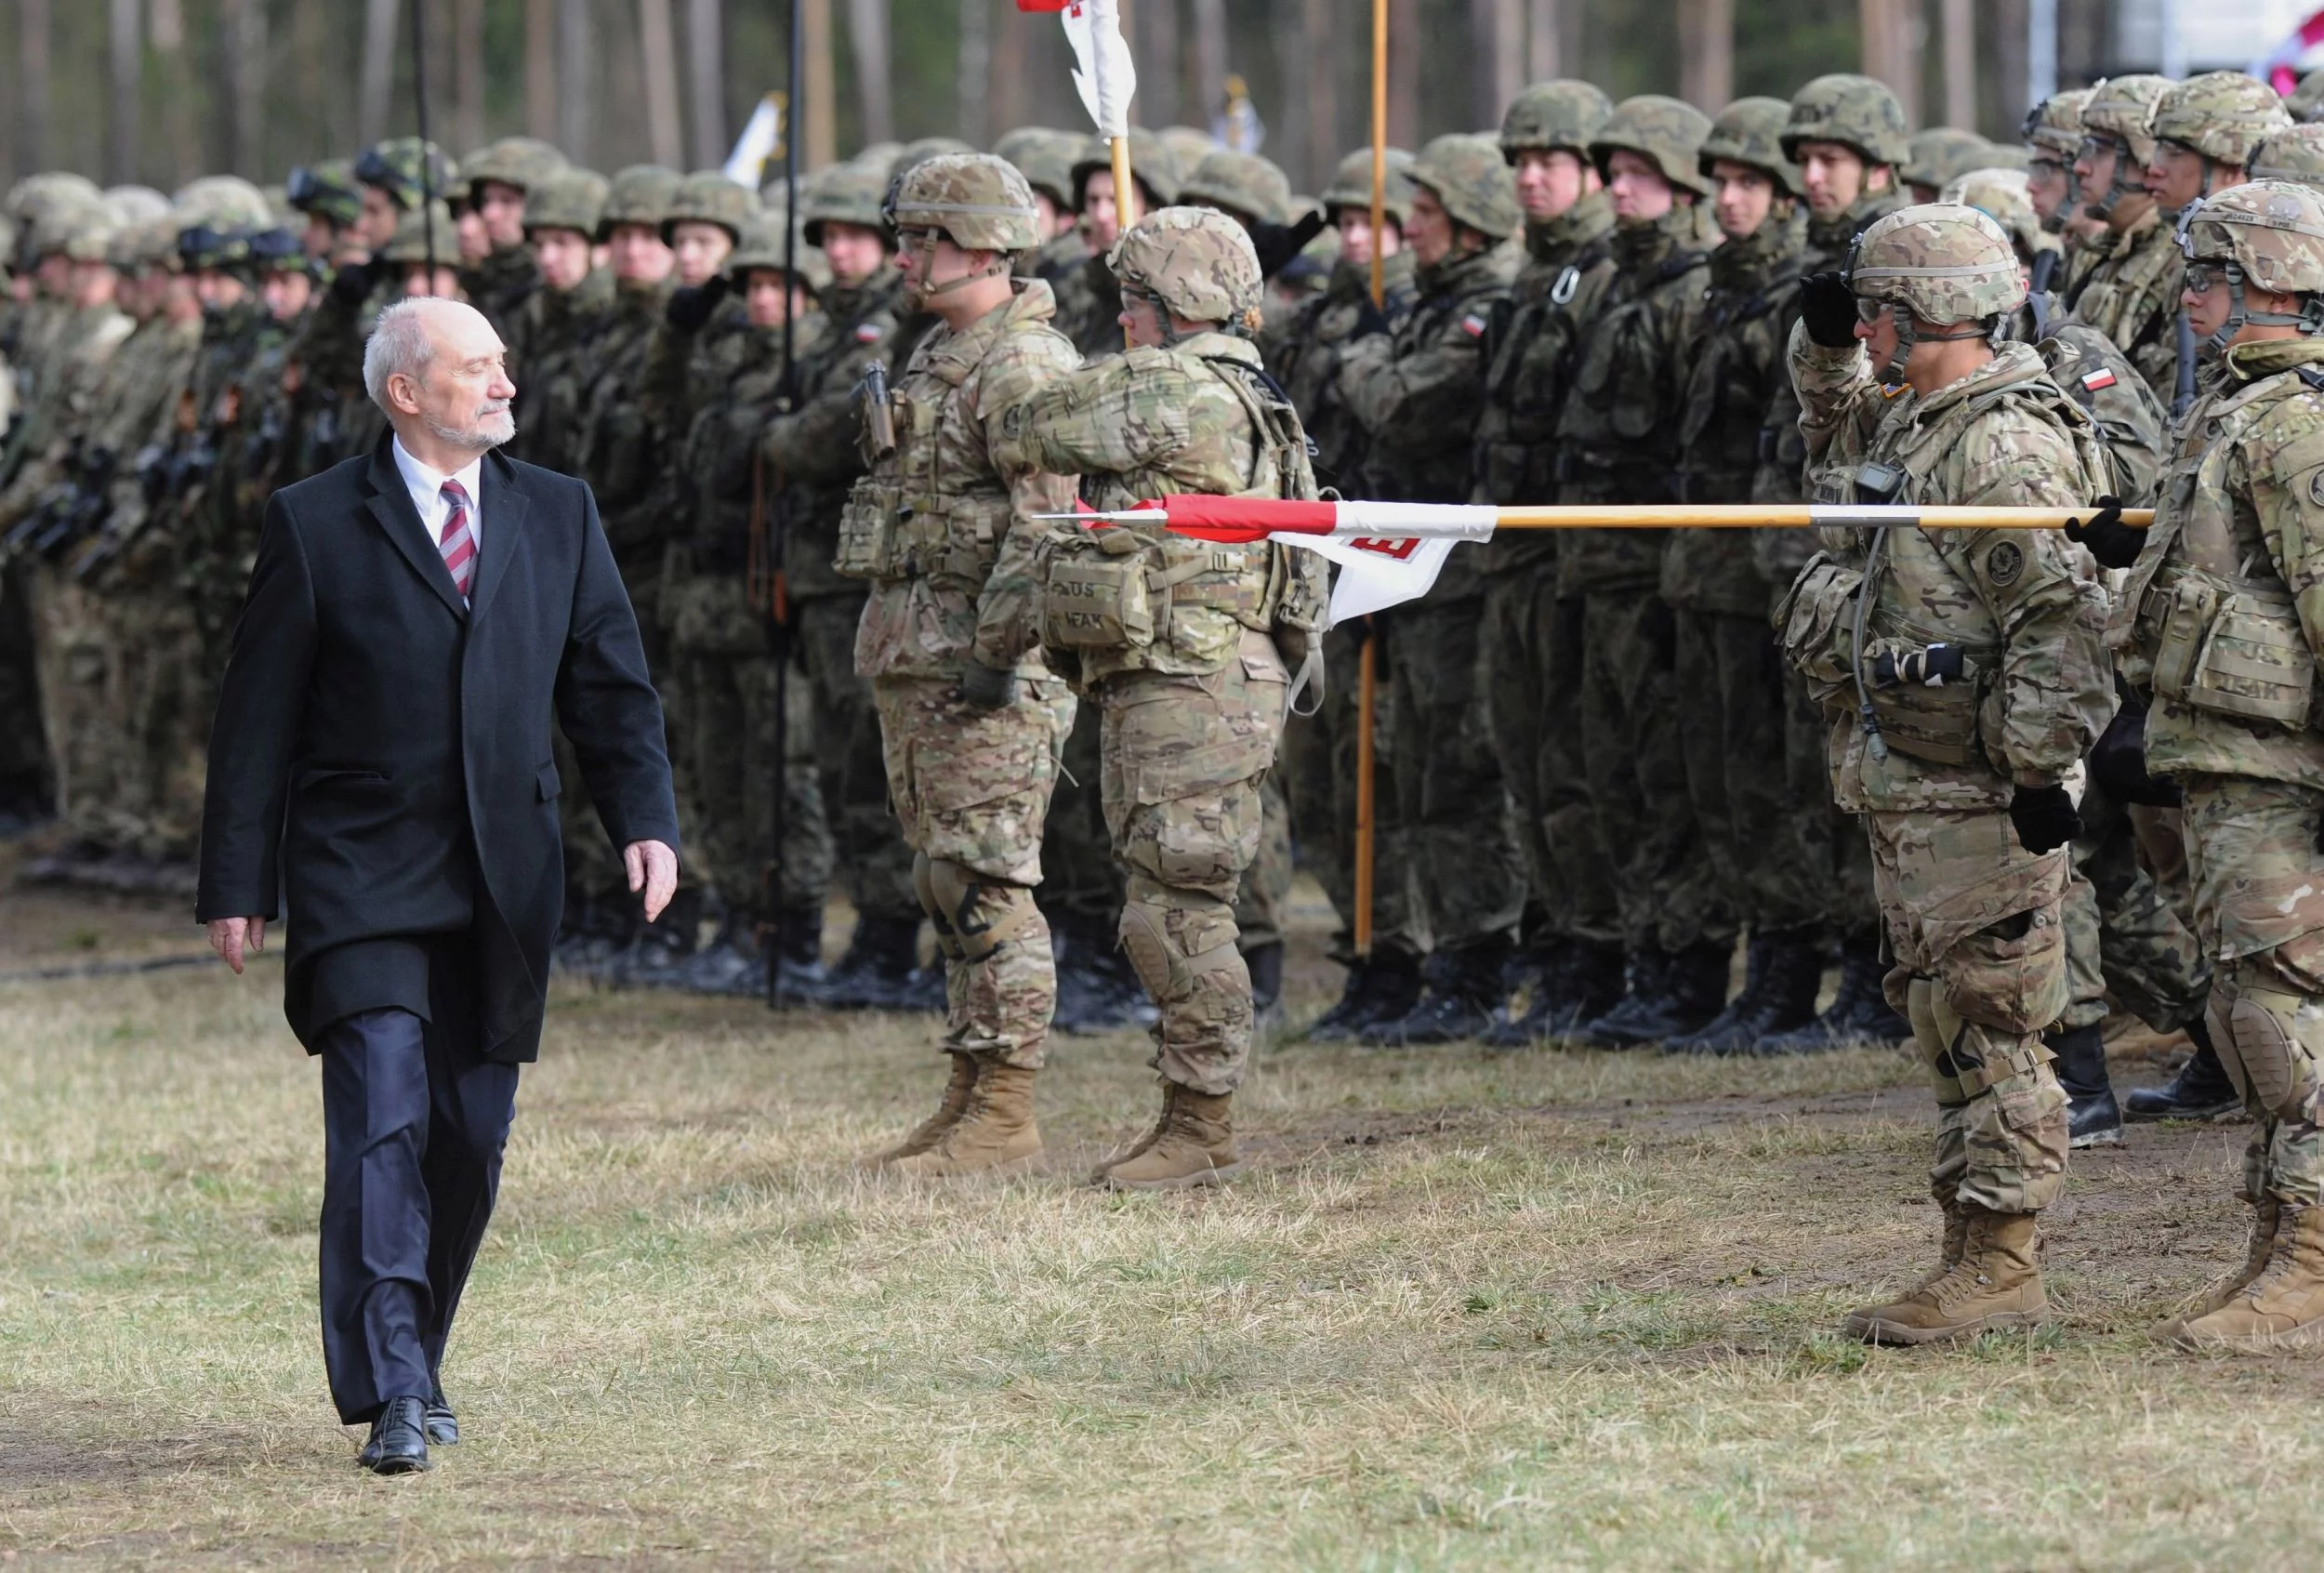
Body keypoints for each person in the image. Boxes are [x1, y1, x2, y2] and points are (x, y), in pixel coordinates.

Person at [194, 297, 679, 1471]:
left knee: (467, 1135)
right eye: (477, 368)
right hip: (361, 872)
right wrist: (235, 878)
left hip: (505, 876)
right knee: (380, 1121)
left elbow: (608, 687)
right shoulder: (313, 523)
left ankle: (419, 1347)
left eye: (502, 365)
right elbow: (254, 717)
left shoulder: (556, 512)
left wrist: (646, 821)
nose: (504, 384)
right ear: (405, 392)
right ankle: (395, 1392)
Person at [1779, 204, 2113, 1344]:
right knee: (1940, 1014)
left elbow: (2061, 623)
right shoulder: (1920, 417)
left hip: (1979, 789)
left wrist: (2034, 770)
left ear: (1922, 315)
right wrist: (1821, 347)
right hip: (1911, 779)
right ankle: (1966, 1246)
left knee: (1993, 1015)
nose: (1864, 329)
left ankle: (2005, 1258)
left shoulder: (1999, 444)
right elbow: (1829, 428)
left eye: (1874, 311)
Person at [998, 205, 1327, 1187]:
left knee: (1175, 905)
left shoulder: (1173, 384)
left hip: (1192, 677)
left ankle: (1201, 1125)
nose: (1123, 321)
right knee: (1171, 895)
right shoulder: (1250, 386)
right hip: (1209, 672)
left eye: (1129, 303)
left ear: (1163, 304)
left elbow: (1029, 427)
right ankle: (1191, 1115)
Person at [2074, 179, 2324, 1351]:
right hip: (2226, 755)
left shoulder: (2295, 421)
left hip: (2280, 762)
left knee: (2287, 1009)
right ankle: (2279, 1242)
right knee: (2244, 1005)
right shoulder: (2236, 410)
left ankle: (2315, 1264)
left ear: (2269, 283)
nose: (2190, 299)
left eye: (2209, 278)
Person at [842, 154, 1079, 1178]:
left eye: (923, 238)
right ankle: (971, 1084)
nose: (904, 255)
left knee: (987, 881)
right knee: (945, 881)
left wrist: (995, 655)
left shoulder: (1021, 365)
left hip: (982, 673)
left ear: (982, 245)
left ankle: (1009, 1107)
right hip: (918, 657)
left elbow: (1045, 529)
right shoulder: (946, 352)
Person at [1335, 133, 1525, 1045]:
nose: (1405, 230)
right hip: (1402, 571)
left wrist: (1361, 360)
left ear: (1470, 224)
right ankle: (1424, 955)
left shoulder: (1483, 305)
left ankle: (1476, 958)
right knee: (1410, 767)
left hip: (1453, 573)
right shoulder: (1425, 304)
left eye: (1423, 215)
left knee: (1456, 769)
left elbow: (1402, 405)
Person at [1553, 96, 1723, 1049]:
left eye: (1640, 174)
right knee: (1609, 771)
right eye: (1612, 172)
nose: (1618, 188)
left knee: (1668, 775)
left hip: (1656, 568)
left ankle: (1686, 964)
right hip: (1594, 565)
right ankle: (1642, 955)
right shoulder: (1605, 281)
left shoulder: (1691, 293)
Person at [1661, 97, 1823, 1054]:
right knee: (1720, 783)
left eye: (1749, 184)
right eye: (1719, 184)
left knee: (1778, 784)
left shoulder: (1799, 299)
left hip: (1767, 568)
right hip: (1708, 569)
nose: (1728, 200)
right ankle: (1758, 971)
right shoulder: (1714, 295)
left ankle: (1795, 970)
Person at [1469, 80, 1624, 1048]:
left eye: (1550, 163)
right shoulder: (1531, 276)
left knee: (1579, 762)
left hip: (1580, 553)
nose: (1531, 179)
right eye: (1519, 163)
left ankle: (1598, 950)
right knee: (1525, 758)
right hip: (1516, 551)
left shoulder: (1604, 275)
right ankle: (1562, 938)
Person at [1270, 144, 1427, 1039]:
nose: (1360, 240)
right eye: (1348, 225)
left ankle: (1403, 951)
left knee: (1388, 768)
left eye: (1379, 223)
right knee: (1325, 778)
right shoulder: (1314, 317)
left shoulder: (1408, 316)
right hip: (1316, 568)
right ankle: (1360, 947)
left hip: (1395, 571)